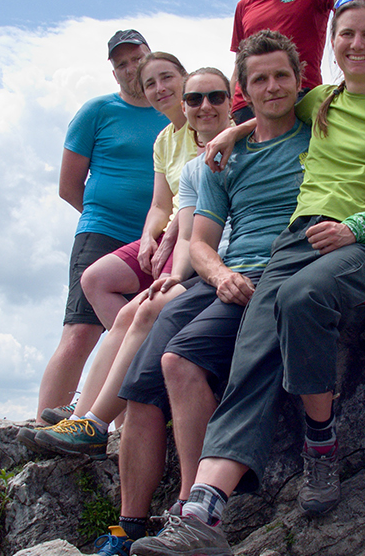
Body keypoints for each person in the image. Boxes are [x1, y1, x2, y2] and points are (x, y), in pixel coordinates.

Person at [131, 0, 365, 556]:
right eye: (346, 35)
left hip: (359, 241)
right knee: (251, 350)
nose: (357, 44)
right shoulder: (320, 100)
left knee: (298, 299)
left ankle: (321, 441)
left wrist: (361, 227)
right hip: (295, 240)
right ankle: (203, 508)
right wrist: (228, 135)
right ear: (333, 45)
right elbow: (266, 112)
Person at [90, 31, 310, 556]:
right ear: (245, 88)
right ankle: (133, 522)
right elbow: (201, 241)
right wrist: (217, 275)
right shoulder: (213, 162)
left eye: (281, 76)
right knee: (143, 386)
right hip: (222, 275)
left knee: (178, 361)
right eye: (258, 79)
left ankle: (195, 511)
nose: (271, 86)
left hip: (281, 271)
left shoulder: (317, 130)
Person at [19, 66, 233, 456]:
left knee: (140, 312)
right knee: (111, 295)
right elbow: (171, 213)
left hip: (217, 255)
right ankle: (87, 414)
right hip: (186, 250)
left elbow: (189, 227)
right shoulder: (173, 147)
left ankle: (94, 415)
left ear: (231, 99)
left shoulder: (235, 139)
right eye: (196, 99)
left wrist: (174, 253)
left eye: (215, 97)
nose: (204, 106)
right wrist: (163, 250)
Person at [34, 29, 164, 421]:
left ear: (151, 56)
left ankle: (113, 418)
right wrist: (102, 214)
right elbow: (68, 185)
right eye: (120, 63)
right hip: (103, 232)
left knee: (139, 325)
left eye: (136, 58)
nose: (130, 68)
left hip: (158, 239)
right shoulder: (97, 112)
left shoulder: (175, 108)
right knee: (80, 333)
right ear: (114, 73)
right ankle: (45, 425)